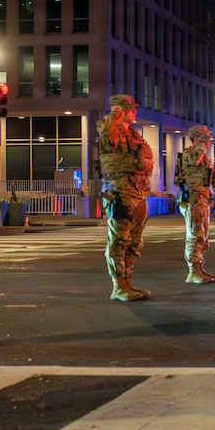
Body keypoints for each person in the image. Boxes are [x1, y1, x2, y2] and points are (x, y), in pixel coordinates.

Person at [97, 94, 153, 301]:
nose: (134, 111)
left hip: (138, 191)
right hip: (119, 191)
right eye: (130, 108)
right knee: (119, 239)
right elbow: (106, 131)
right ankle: (118, 285)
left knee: (135, 241)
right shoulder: (110, 130)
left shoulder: (134, 135)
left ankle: (127, 281)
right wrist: (116, 113)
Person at [175, 124, 215, 283]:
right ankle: (193, 271)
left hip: (202, 198)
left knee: (203, 236)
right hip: (192, 199)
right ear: (196, 138)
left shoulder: (204, 156)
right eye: (205, 136)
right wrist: (200, 146)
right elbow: (194, 160)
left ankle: (199, 267)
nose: (209, 140)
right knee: (195, 235)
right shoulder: (189, 153)